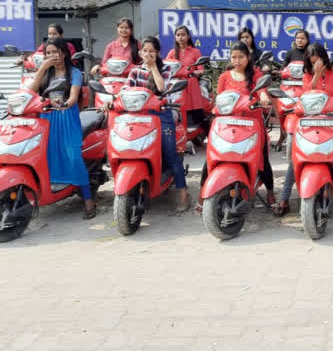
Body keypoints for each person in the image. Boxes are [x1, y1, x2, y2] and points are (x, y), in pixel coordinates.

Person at [273, 43, 333, 216]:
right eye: (312, 62)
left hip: (330, 121)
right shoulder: (307, 75)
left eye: (318, 61)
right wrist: (317, 74)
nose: (315, 65)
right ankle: (284, 198)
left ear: (324, 58)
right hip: (308, 122)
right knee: (295, 158)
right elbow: (305, 94)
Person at [103, 37, 190, 212]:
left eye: (152, 51)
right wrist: (112, 100)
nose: (148, 54)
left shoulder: (164, 69)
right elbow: (125, 90)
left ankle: (183, 192)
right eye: (145, 51)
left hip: (161, 115)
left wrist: (153, 67)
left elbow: (161, 87)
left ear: (157, 53)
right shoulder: (135, 71)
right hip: (138, 115)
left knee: (170, 153)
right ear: (141, 52)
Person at [200, 42, 275, 210]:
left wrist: (263, 97)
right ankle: (202, 192)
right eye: (234, 57)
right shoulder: (225, 76)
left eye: (241, 57)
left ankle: (270, 191)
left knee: (262, 157)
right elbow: (219, 98)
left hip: (250, 123)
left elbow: (262, 90)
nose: (237, 60)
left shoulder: (255, 74)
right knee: (212, 157)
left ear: (248, 58)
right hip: (227, 123)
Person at [28, 38, 95, 219]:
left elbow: (73, 96)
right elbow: (31, 92)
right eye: (48, 53)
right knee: (47, 155)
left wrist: (65, 103)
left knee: (74, 156)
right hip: (47, 119)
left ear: (63, 53)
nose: (51, 56)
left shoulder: (74, 72)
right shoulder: (45, 73)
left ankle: (88, 199)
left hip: (66, 117)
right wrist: (41, 69)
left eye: (55, 52)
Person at [165, 25, 206, 125]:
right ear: (175, 37)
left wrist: (196, 73)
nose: (181, 37)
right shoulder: (172, 53)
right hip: (176, 85)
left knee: (198, 115)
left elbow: (201, 69)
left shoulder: (195, 51)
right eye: (178, 35)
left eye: (183, 35)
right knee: (176, 112)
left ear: (188, 36)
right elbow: (166, 69)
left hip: (191, 83)